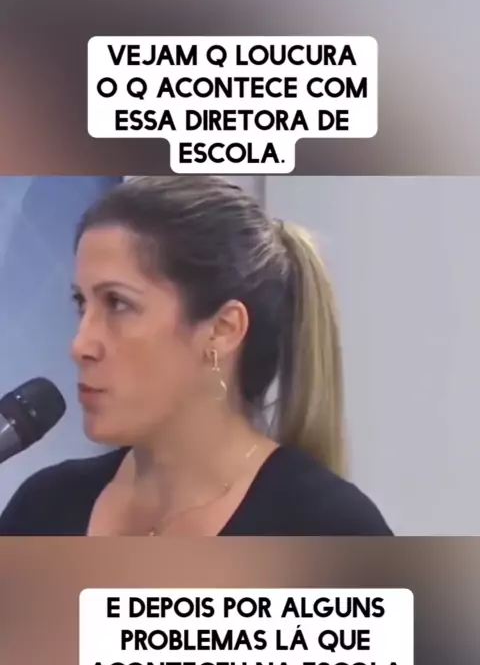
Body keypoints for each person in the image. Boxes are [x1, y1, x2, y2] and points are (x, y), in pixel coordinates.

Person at [0, 176, 392, 536]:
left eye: (117, 303)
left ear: (223, 330)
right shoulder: (43, 508)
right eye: (81, 304)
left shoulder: (326, 528)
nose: (80, 345)